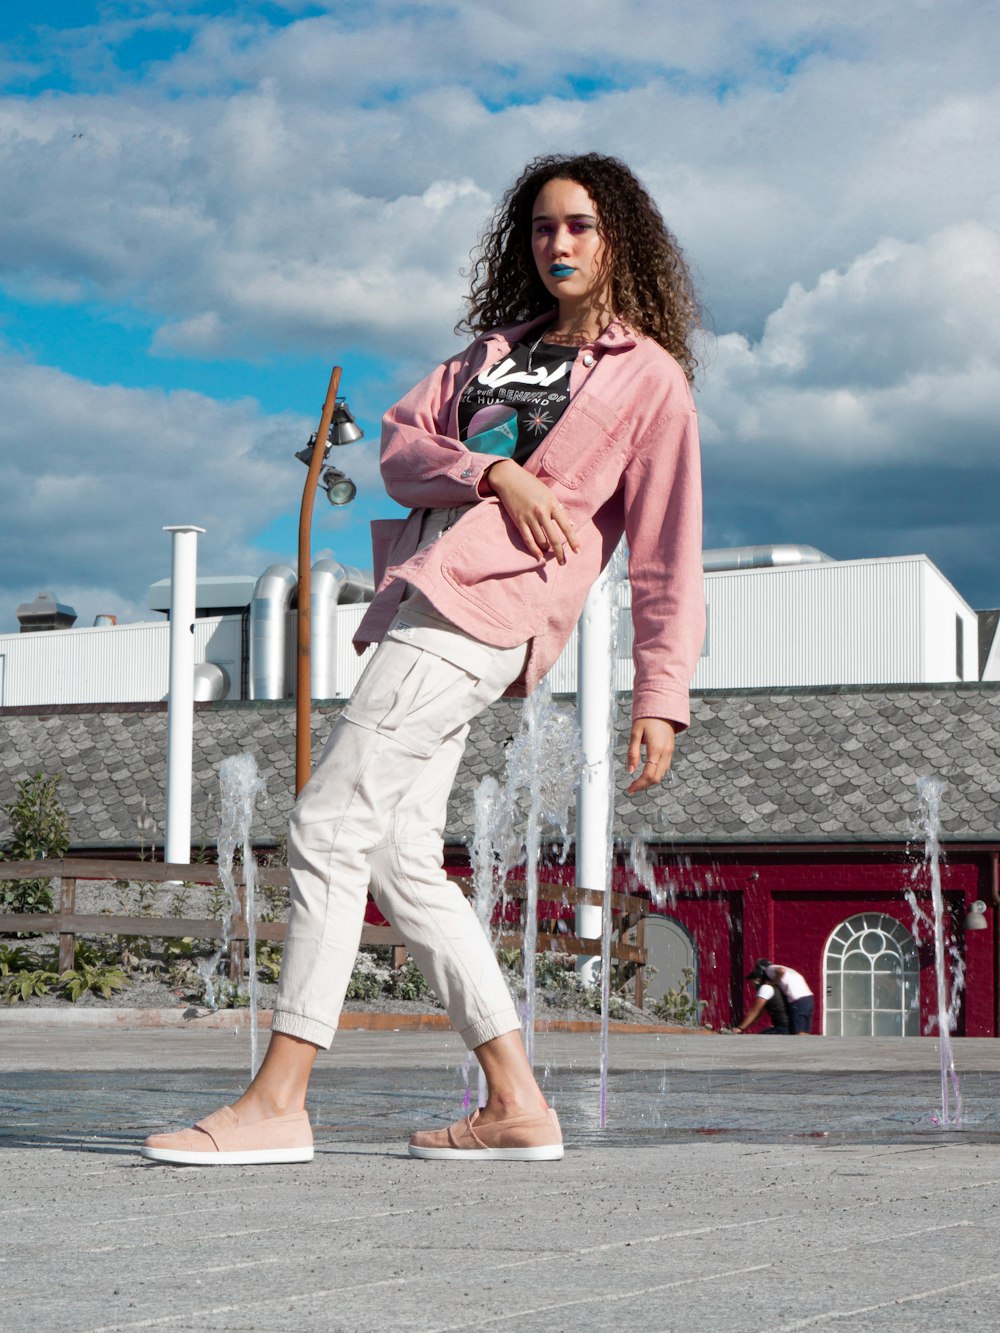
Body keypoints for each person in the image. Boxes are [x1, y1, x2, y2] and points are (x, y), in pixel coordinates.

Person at [141, 152, 705, 1166]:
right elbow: (400, 449)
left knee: (325, 825)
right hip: (423, 595)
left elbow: (669, 548)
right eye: (541, 227)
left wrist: (659, 694)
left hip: (486, 611)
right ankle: (516, 1099)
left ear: (618, 235)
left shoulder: (647, 379)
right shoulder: (492, 355)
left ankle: (280, 1099)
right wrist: (491, 467)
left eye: (578, 225)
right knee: (401, 859)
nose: (558, 243)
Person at [739, 958, 814, 1036]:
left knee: (799, 1032)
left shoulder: (769, 969)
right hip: (808, 998)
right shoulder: (786, 971)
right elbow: (760, 1012)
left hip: (797, 1000)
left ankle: (800, 1047)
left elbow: (781, 971)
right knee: (805, 1032)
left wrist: (773, 982)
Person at [733, 961, 792, 1034]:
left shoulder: (766, 988)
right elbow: (759, 1014)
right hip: (788, 1028)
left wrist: (740, 1028)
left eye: (753, 980)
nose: (752, 983)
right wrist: (744, 1028)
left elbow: (755, 1011)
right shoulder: (774, 988)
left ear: (758, 980)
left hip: (782, 1029)